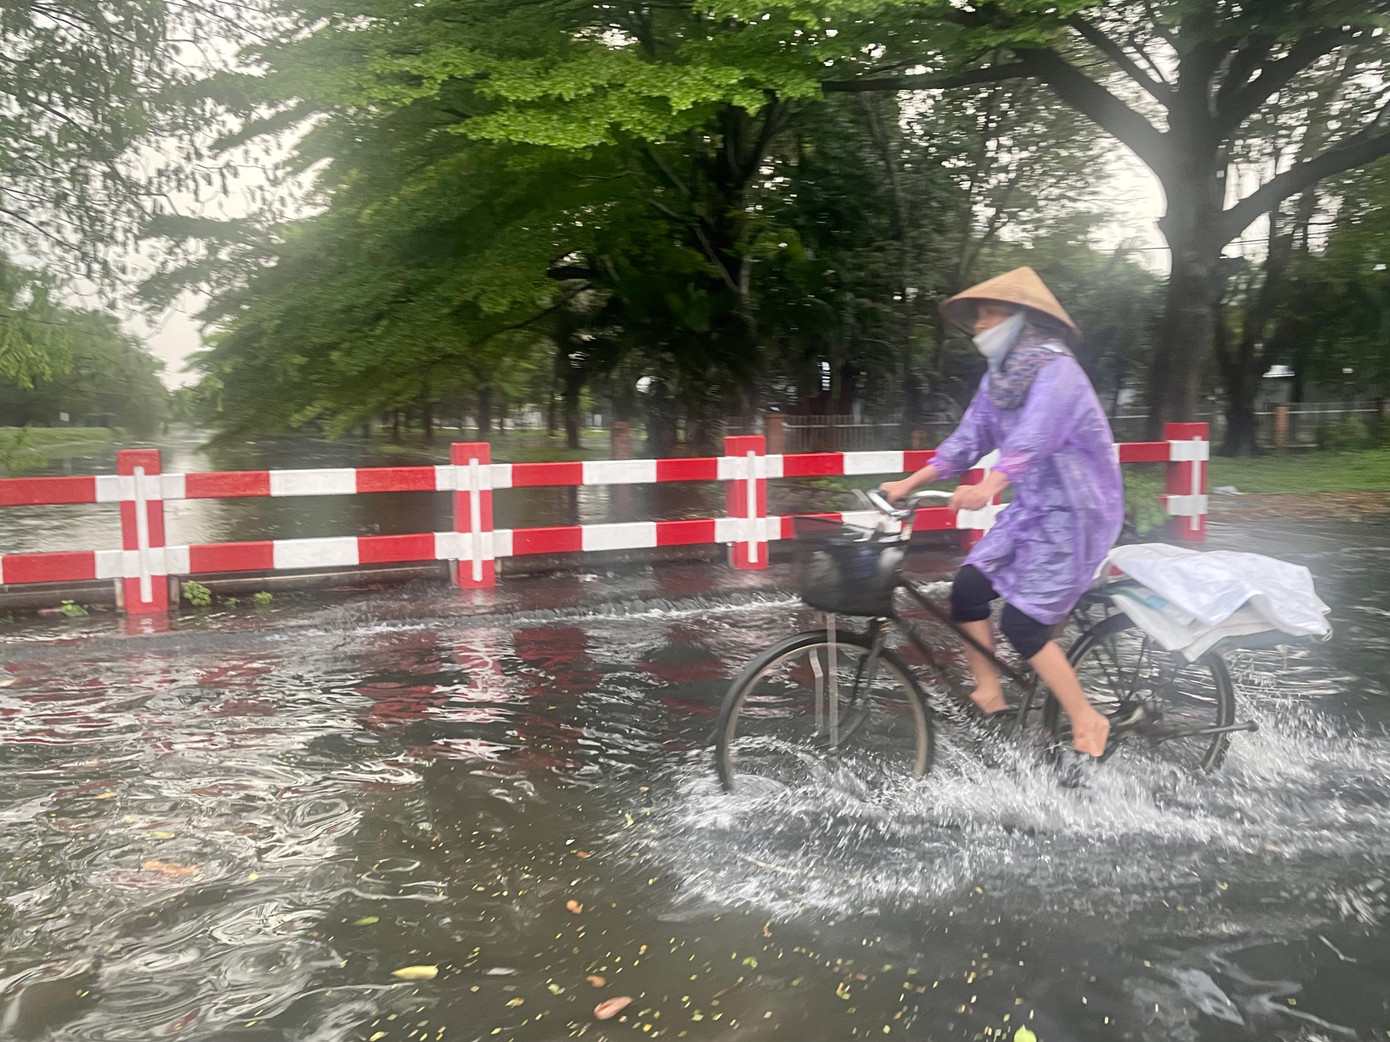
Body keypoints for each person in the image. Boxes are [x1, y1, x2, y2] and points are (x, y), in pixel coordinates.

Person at [878, 267, 1123, 775]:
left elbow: (1035, 437)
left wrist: (989, 485)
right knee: (967, 588)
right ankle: (990, 694)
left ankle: (1086, 720)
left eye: (990, 313)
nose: (980, 325)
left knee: (1022, 623)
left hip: (1079, 512)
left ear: (1022, 318)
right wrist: (906, 485)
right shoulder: (1000, 379)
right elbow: (968, 439)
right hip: (1034, 508)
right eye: (977, 316)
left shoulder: (1059, 373)